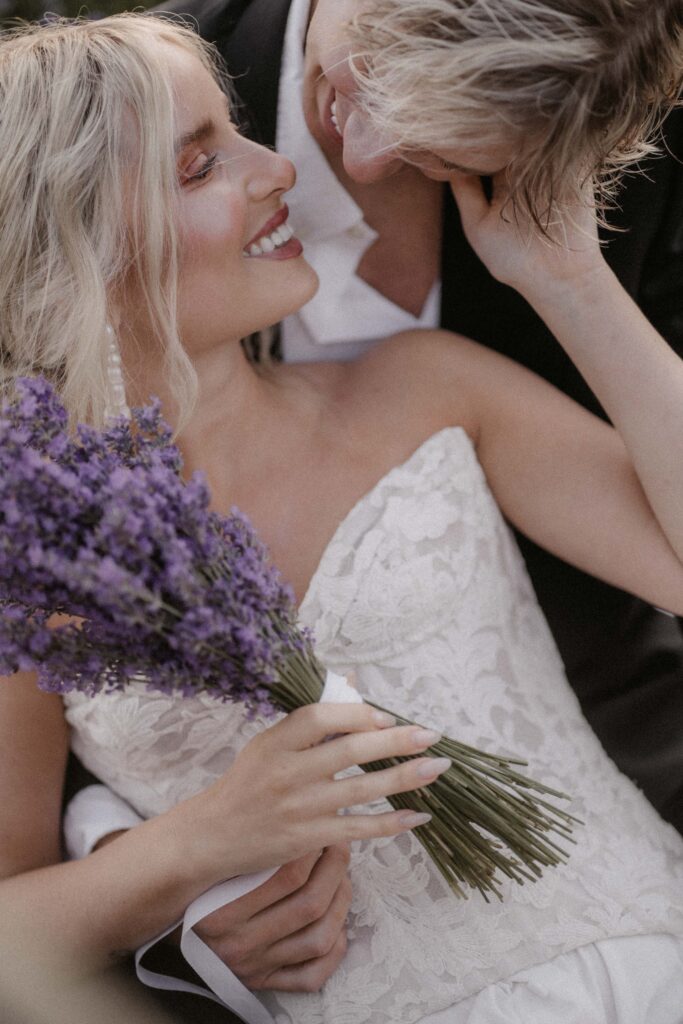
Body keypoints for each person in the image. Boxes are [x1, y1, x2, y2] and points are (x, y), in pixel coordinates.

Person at [0, 11, 682, 1024]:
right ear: (76, 250)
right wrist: (189, 854)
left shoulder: (423, 387)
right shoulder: (39, 565)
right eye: (199, 166)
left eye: (232, 132)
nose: (276, 166)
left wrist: (563, 275)